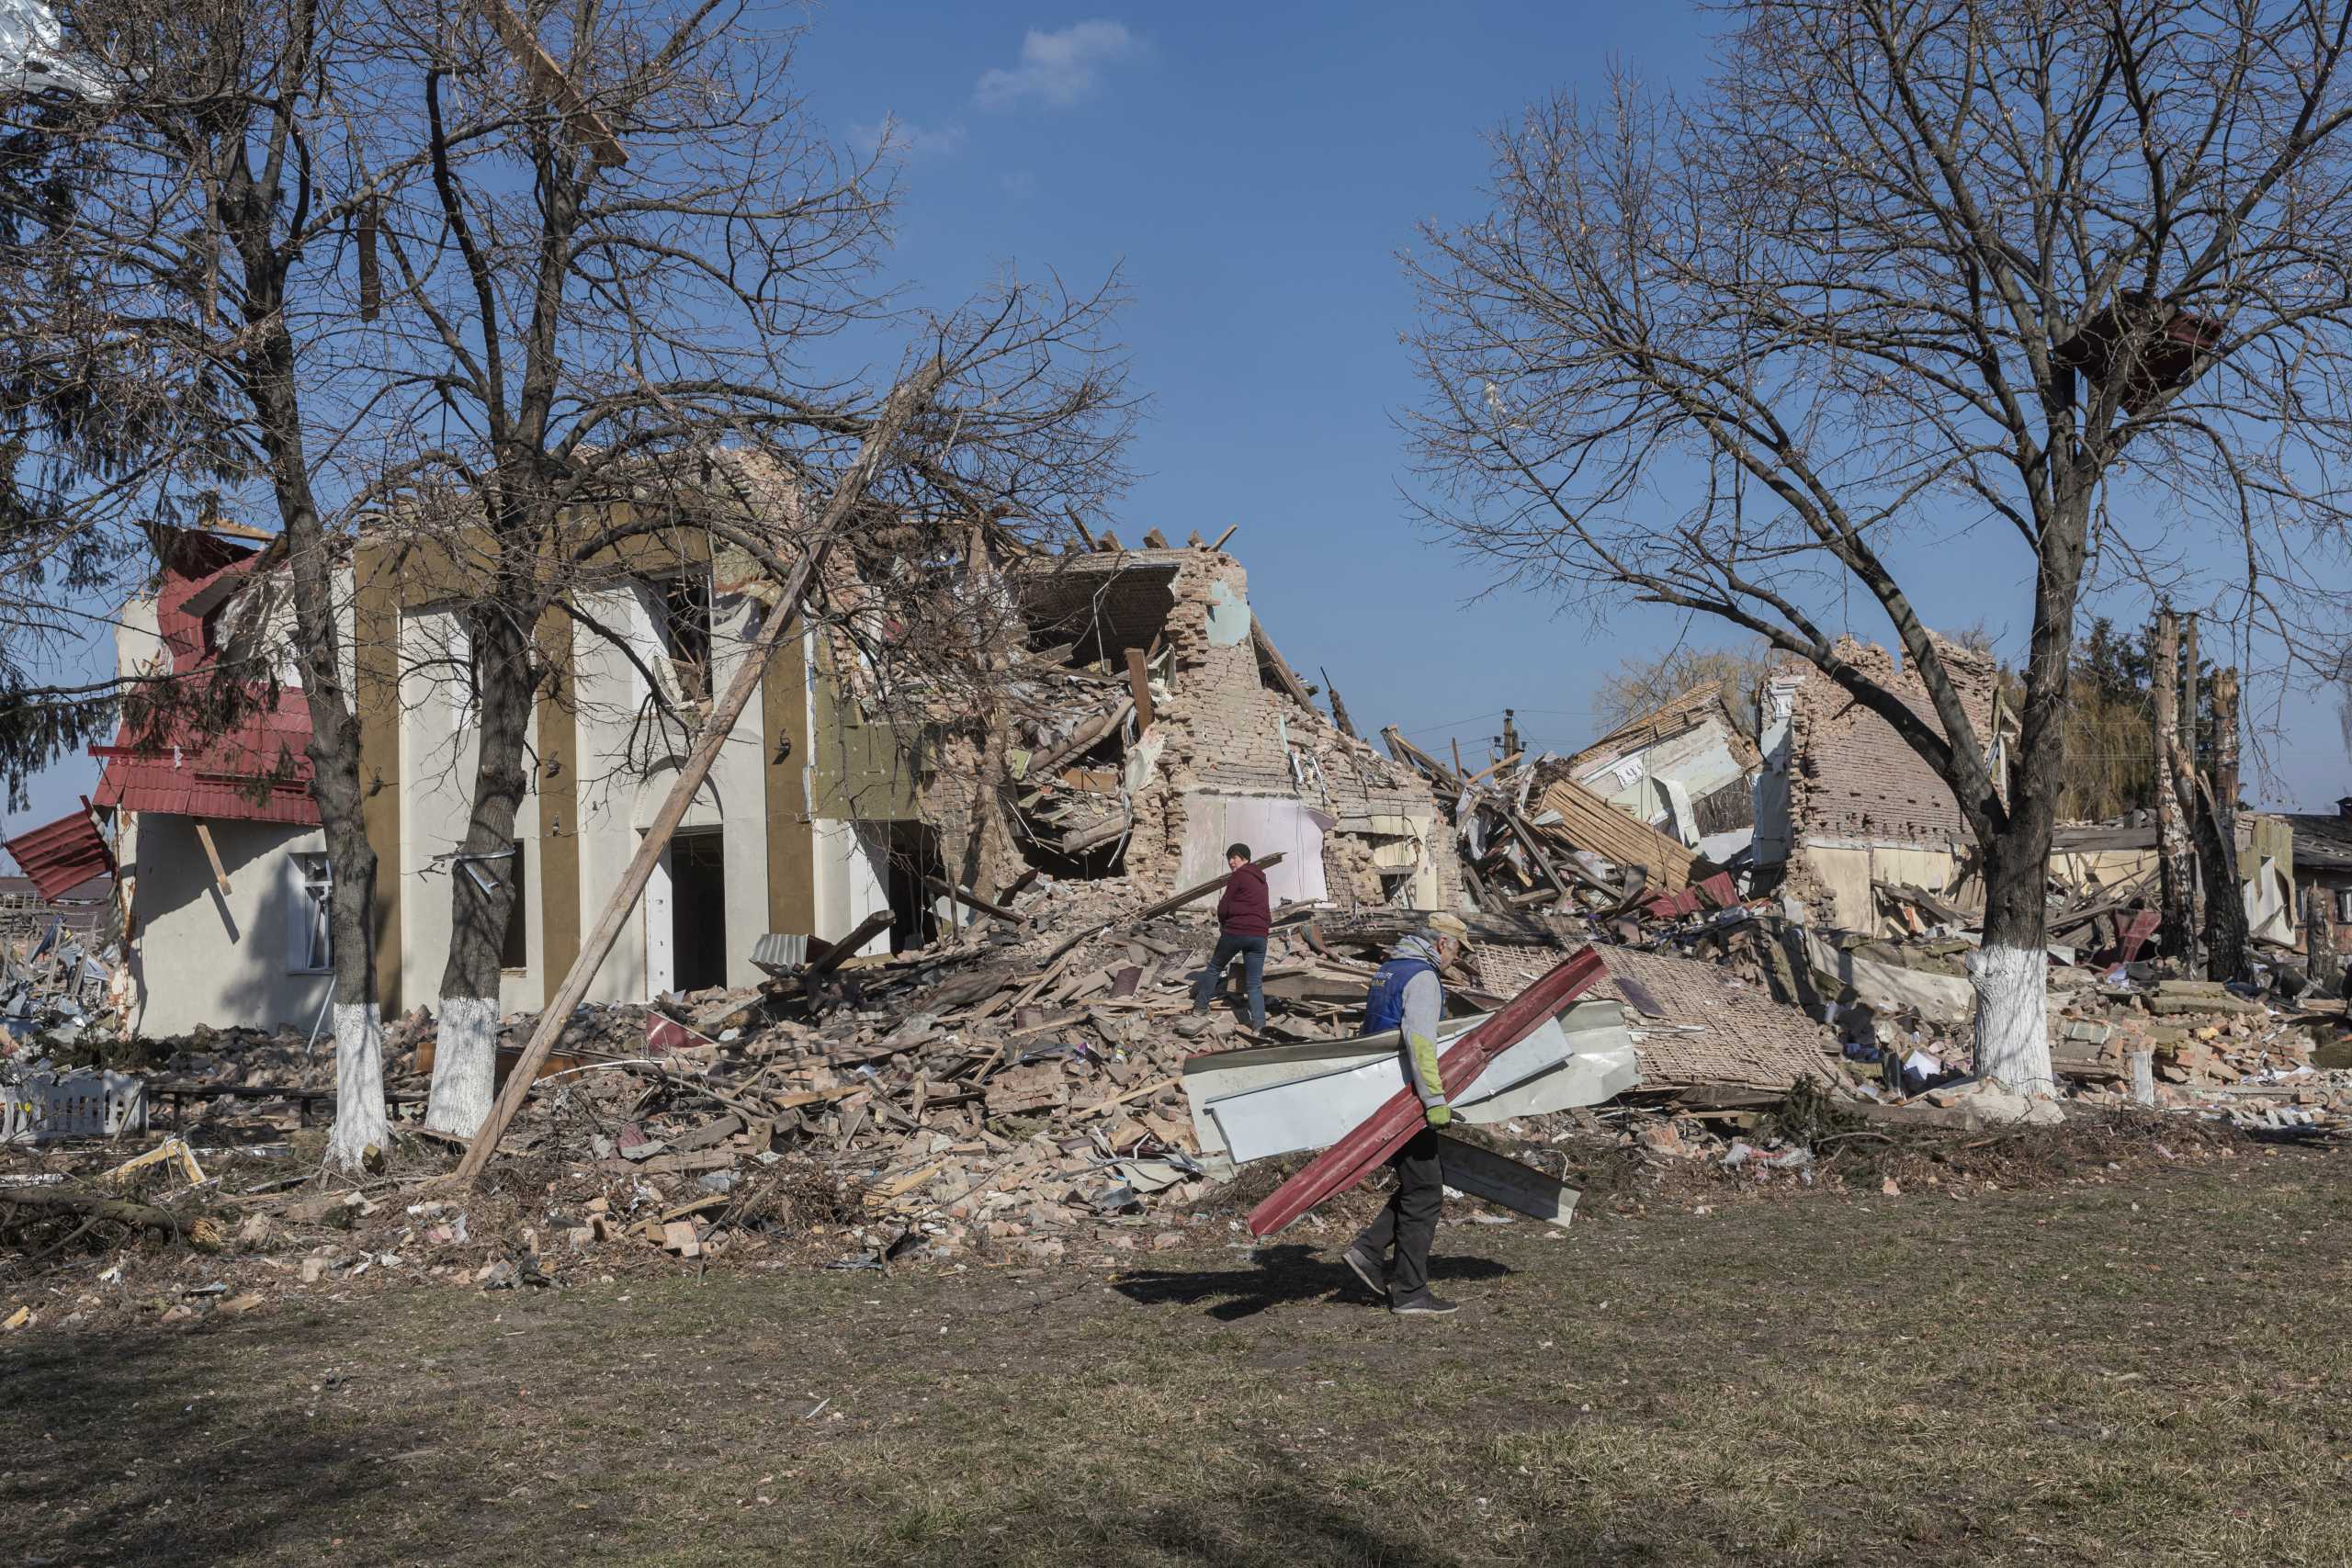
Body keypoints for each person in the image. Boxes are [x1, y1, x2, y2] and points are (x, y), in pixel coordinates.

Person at [1342, 911, 1470, 1316]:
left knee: (1419, 1185)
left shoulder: (1388, 970)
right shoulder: (1424, 979)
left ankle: (1368, 1250)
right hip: (1406, 1097)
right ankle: (1410, 1291)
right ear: (1440, 944)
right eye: (1456, 950)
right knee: (1427, 1190)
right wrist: (1434, 1100)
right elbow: (1419, 1043)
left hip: (1376, 1090)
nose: (1456, 959)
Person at [1191, 843, 1269, 1032]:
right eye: (1229, 858)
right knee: (1254, 983)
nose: (1232, 862)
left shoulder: (1239, 876)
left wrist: (1225, 924)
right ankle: (1259, 1025)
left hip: (1237, 930)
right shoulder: (1262, 880)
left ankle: (1200, 1007)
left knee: (1215, 967)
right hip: (1259, 935)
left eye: (1236, 857)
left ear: (1245, 858)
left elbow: (1223, 906)